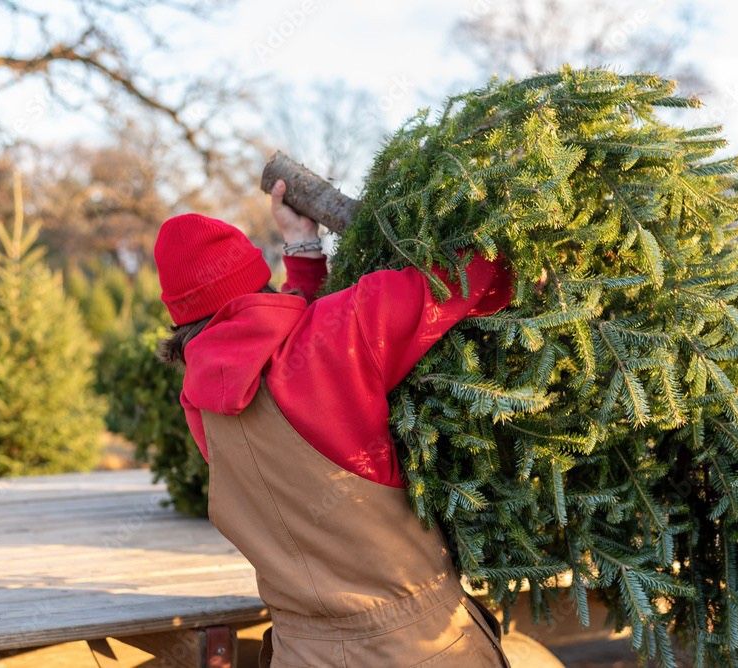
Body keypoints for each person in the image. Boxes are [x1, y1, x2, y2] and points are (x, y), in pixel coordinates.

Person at [154, 179, 513, 667]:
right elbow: (466, 272)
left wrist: (303, 252)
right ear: (254, 282)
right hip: (418, 648)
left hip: (300, 653)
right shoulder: (337, 332)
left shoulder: (202, 404)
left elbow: (265, 344)